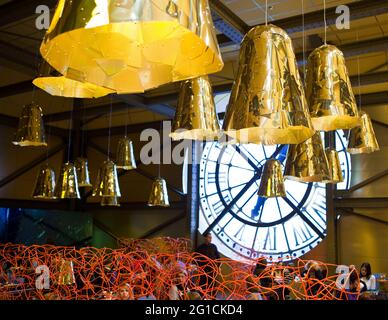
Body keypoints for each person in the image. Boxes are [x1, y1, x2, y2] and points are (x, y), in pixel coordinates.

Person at [195, 232, 221, 299]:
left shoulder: (214, 246)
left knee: (212, 286)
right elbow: (195, 258)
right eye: (209, 237)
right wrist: (198, 266)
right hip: (203, 270)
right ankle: (202, 297)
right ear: (205, 238)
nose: (210, 239)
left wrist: (218, 267)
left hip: (212, 270)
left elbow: (218, 258)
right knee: (203, 285)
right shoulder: (200, 247)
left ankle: (213, 298)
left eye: (211, 237)